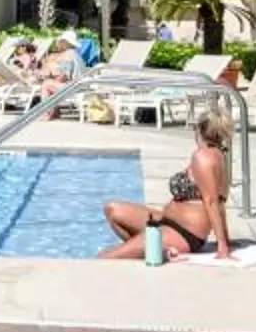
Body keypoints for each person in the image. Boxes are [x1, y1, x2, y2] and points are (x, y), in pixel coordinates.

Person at [100, 102, 236, 261]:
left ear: (199, 130)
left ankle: (149, 249)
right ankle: (146, 249)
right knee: (113, 210)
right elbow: (219, 202)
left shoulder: (203, 157)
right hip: (166, 222)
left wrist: (223, 247)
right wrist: (226, 238)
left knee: (106, 257)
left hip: (184, 233)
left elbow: (212, 201)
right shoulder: (216, 156)